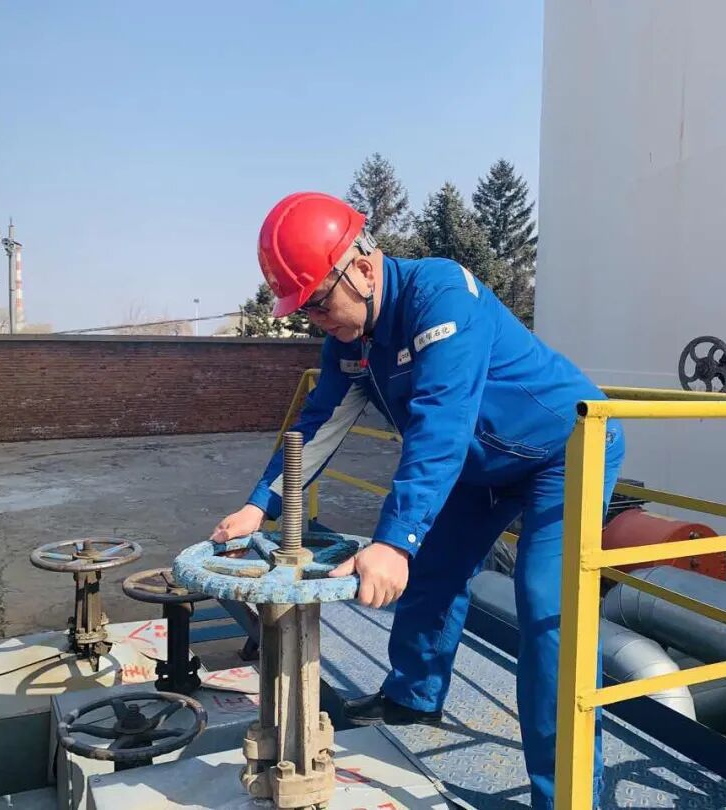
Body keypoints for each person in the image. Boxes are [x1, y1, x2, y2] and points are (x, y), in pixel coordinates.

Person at [210, 190, 624, 808]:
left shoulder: (443, 294)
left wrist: (393, 542)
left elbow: (442, 420)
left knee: (547, 607)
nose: (317, 320)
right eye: (305, 311)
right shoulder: (351, 338)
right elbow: (321, 420)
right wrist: (259, 504)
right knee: (432, 571)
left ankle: (566, 794)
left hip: (566, 450)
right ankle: (414, 697)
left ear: (363, 268)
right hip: (481, 465)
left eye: (319, 302)